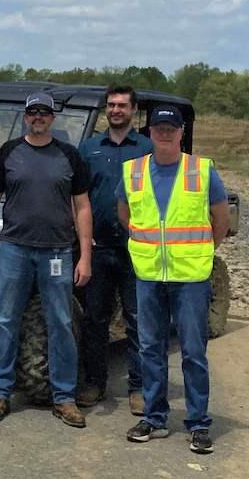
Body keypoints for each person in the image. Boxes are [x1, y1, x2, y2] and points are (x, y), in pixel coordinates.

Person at [118, 105, 230, 454]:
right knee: (150, 349)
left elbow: (220, 219)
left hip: (190, 277)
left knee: (193, 352)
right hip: (149, 274)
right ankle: (154, 418)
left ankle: (198, 423)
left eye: (171, 128)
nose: (165, 133)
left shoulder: (202, 170)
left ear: (181, 132)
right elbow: (126, 217)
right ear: (149, 131)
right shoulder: (132, 171)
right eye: (159, 127)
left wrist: (200, 252)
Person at [0, 92, 92, 428]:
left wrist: (85, 255)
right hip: (14, 248)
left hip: (57, 250)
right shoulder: (10, 152)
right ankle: (0, 392)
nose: (38, 117)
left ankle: (64, 397)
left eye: (44, 112)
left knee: (60, 322)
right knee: (4, 320)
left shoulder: (68, 156)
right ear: (25, 116)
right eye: (33, 112)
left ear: (53, 118)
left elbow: (83, 207)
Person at [77, 85, 153, 415]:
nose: (116, 110)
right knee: (95, 319)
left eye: (122, 105)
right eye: (111, 105)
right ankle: (95, 382)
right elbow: (77, 196)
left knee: (138, 320)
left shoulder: (148, 148)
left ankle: (138, 388)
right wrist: (81, 238)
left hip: (136, 249)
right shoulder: (89, 148)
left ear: (133, 110)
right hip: (97, 247)